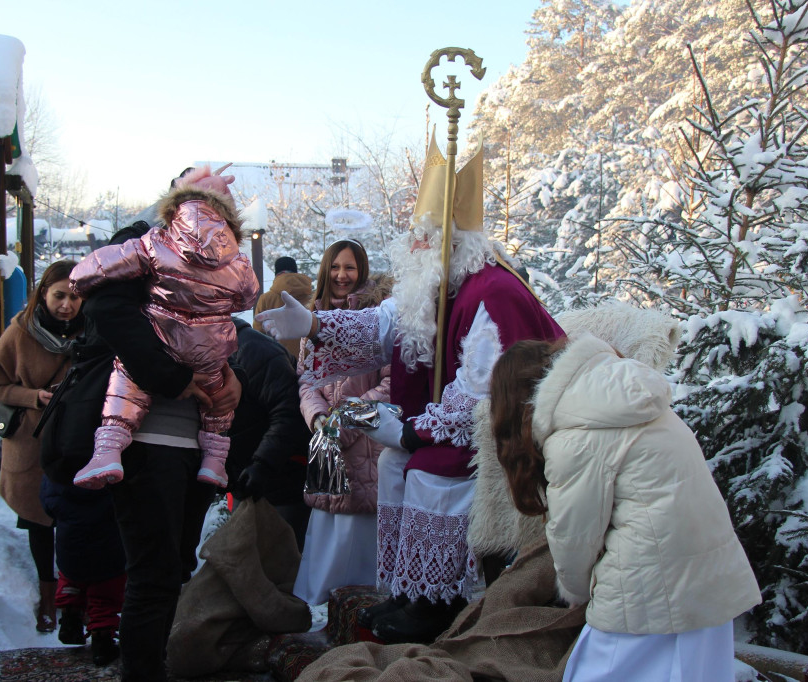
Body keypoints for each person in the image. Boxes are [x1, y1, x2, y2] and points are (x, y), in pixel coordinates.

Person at [256, 136, 564, 644]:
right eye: (415, 236)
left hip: (506, 431)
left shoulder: (493, 292)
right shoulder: (435, 285)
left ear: (453, 241)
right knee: (392, 463)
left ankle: (437, 604)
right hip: (462, 424)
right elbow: (380, 328)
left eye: (425, 237)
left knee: (429, 470)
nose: (414, 246)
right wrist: (311, 322)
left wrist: (417, 432)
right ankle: (407, 588)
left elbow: (482, 391)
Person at [489, 334, 761, 681]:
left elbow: (574, 537)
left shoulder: (573, 436)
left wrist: (574, 592)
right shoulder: (620, 390)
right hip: (708, 578)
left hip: (644, 586)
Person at [77, 206, 243, 681]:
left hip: (192, 446)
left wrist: (235, 380)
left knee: (172, 569)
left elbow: (226, 336)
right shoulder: (146, 252)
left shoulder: (220, 269)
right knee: (153, 574)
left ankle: (154, 666)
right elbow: (105, 309)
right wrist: (174, 377)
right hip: (145, 440)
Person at [71, 165, 259, 490]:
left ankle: (110, 446)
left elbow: (99, 273)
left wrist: (77, 277)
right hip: (160, 442)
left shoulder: (152, 243)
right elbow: (245, 300)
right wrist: (178, 377)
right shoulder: (236, 260)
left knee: (125, 379)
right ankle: (216, 460)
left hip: (149, 435)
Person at [0, 259, 83, 633]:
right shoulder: (20, 333)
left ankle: (74, 593)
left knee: (76, 518)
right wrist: (31, 396)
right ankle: (47, 593)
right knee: (39, 520)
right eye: (59, 295)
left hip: (75, 441)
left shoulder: (91, 332)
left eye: (75, 297)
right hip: (31, 441)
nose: (67, 305)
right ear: (43, 293)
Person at [292, 240, 390, 606]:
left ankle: (356, 611)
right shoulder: (311, 318)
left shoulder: (377, 318)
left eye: (349, 268)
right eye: (335, 267)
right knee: (326, 528)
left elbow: (391, 384)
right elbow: (306, 380)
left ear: (361, 271)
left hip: (366, 445)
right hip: (326, 443)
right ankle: (319, 609)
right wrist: (318, 419)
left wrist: (344, 421)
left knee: (357, 534)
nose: (341, 276)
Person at [225, 316, 312, 550]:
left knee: (280, 564)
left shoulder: (252, 349)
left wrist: (262, 464)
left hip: (281, 477)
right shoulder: (207, 350)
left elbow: (289, 411)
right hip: (243, 479)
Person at [39, 476, 126, 667]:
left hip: (70, 543)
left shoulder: (59, 469)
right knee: (105, 593)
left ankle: (70, 615)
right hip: (109, 547)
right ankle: (102, 641)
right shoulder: (112, 469)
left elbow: (47, 503)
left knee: (70, 578)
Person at [253, 256, 313, 359]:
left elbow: (258, 335)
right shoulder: (312, 298)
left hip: (278, 362)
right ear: (295, 272)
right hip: (309, 362)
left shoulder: (266, 299)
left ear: (277, 273)